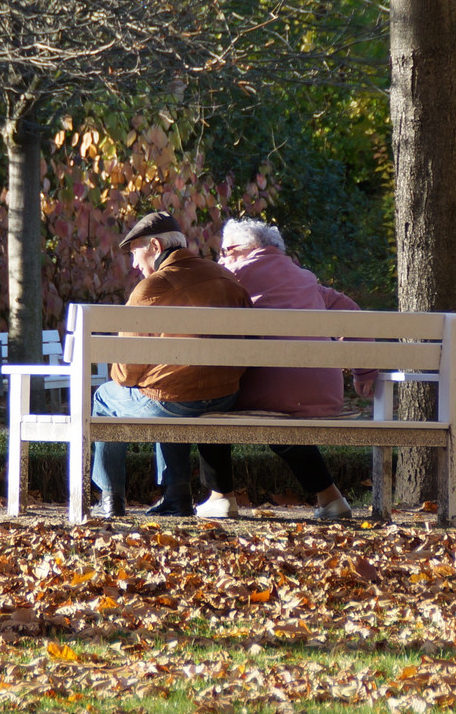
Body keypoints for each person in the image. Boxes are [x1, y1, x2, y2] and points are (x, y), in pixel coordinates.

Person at [191, 218, 370, 521]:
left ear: (241, 249)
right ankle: (331, 498)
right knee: (281, 420)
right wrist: (364, 373)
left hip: (269, 389)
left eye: (224, 251)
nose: (220, 259)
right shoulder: (306, 278)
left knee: (212, 398)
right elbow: (353, 313)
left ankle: (221, 496)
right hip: (320, 390)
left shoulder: (231, 276)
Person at [86, 210, 251, 518]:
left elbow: (124, 371)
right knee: (168, 386)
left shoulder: (152, 288)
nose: (134, 264)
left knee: (107, 398)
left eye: (136, 253)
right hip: (225, 395)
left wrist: (137, 378)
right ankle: (176, 497)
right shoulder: (226, 277)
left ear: (156, 248)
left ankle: (110, 497)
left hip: (175, 401)